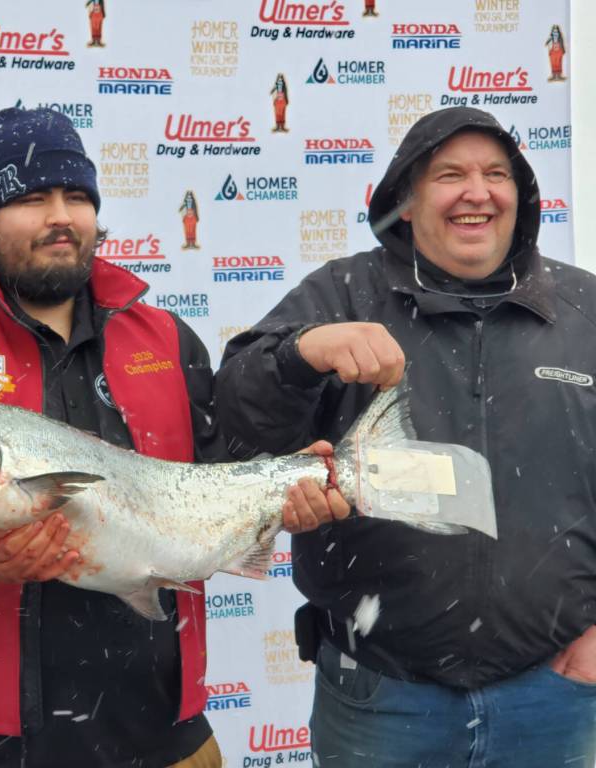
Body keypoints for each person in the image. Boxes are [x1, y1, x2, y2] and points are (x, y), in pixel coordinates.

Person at [0, 106, 345, 768]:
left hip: (161, 729)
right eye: (31, 197)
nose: (61, 215)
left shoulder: (169, 339)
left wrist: (284, 495)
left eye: (76, 195)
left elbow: (217, 483)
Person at [215, 106, 596, 765]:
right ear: (408, 203)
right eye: (450, 174)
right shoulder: (341, 293)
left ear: (521, 198)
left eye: (496, 174)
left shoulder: (584, 311)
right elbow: (237, 421)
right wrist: (303, 351)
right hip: (381, 694)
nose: (477, 192)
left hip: (555, 697)